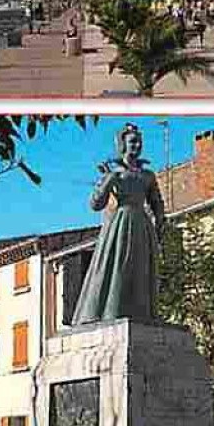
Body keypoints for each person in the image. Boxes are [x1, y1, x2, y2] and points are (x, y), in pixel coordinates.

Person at [72, 123, 165, 325]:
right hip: (120, 225)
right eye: (132, 141)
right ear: (122, 144)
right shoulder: (115, 173)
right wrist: (109, 179)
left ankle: (141, 314)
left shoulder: (148, 175)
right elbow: (95, 204)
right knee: (117, 268)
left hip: (142, 226)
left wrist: (160, 225)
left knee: (141, 271)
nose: (137, 145)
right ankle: (109, 311)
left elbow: (157, 203)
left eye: (139, 142)